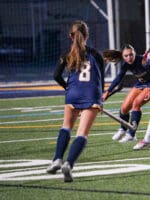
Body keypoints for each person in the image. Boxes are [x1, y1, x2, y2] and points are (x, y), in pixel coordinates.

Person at [46, 20, 105, 182]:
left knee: (66, 127)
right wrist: (100, 100)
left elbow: (56, 76)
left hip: (72, 94)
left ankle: (57, 159)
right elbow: (100, 79)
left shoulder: (66, 55)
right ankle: (69, 164)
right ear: (87, 35)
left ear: (70, 36)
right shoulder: (96, 54)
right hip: (91, 94)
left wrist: (68, 88)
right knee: (82, 133)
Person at [102, 44, 150, 143]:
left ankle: (131, 134)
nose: (129, 58)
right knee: (124, 108)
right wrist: (107, 91)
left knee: (136, 103)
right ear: (122, 56)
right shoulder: (125, 64)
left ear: (134, 53)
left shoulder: (144, 61)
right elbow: (118, 78)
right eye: (126, 56)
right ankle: (123, 128)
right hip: (141, 83)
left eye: (131, 55)